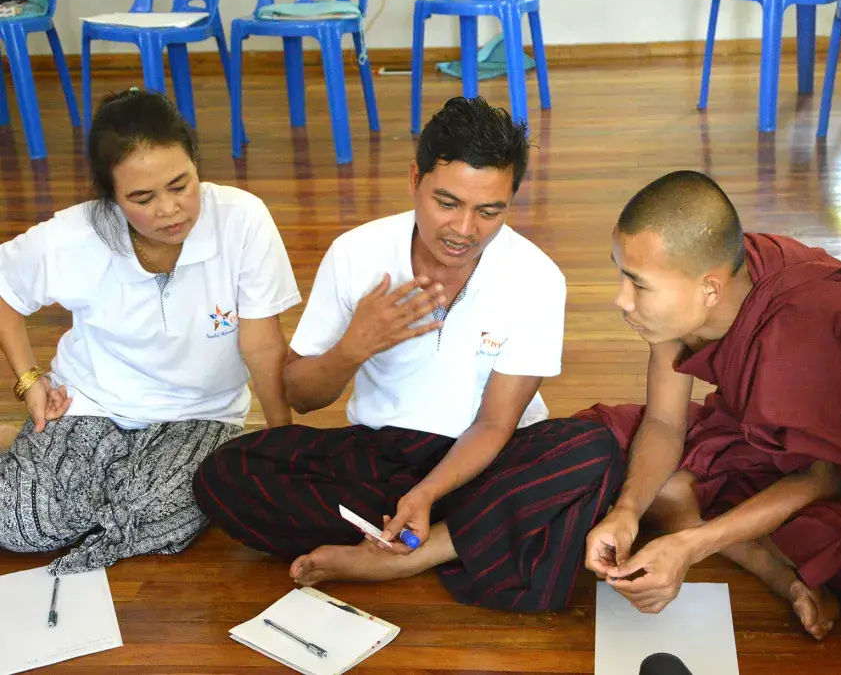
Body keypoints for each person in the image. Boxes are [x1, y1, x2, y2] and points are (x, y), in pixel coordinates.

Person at [194, 96, 624, 612]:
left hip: (486, 463)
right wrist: (356, 346)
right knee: (225, 474)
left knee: (594, 448)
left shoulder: (536, 278)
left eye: (490, 211)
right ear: (414, 179)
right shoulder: (357, 254)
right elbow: (300, 396)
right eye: (447, 203)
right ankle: (482, 538)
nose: (464, 230)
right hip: (381, 459)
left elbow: (493, 426)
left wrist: (426, 494)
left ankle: (405, 555)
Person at [580, 170, 841, 640]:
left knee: (830, 544)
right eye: (619, 273)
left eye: (638, 284)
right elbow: (666, 422)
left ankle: (753, 550)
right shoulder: (696, 288)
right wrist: (627, 509)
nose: (620, 299)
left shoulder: (801, 333)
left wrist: (688, 545)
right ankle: (774, 569)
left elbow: (825, 476)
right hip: (771, 431)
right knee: (653, 485)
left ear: (710, 288)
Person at [0, 89, 302, 575]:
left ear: (196, 162)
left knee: (160, 510)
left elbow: (262, 344)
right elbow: (5, 290)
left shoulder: (242, 219)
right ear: (110, 197)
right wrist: (29, 380)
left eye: (180, 185)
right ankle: (61, 472)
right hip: (92, 401)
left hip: (201, 415)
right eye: (142, 198)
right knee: (19, 524)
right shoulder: (75, 235)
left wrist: (283, 440)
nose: (169, 210)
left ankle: (58, 474)